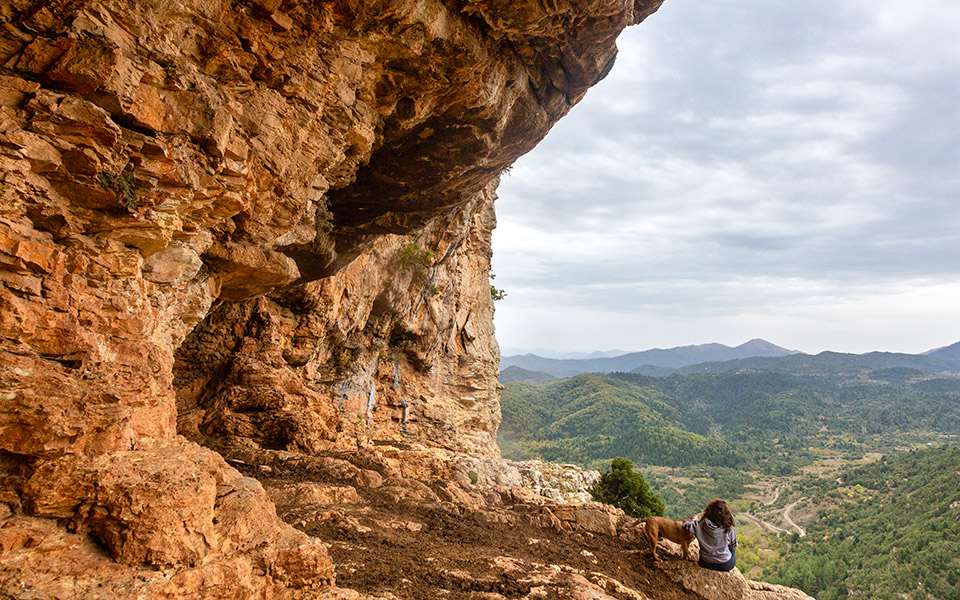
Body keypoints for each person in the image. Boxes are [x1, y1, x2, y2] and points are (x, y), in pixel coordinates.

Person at [683, 498, 738, 572]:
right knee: (733, 547)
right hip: (725, 565)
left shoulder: (699, 524)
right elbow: (733, 546)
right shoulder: (728, 528)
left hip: (705, 562)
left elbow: (685, 526)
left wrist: (694, 520)